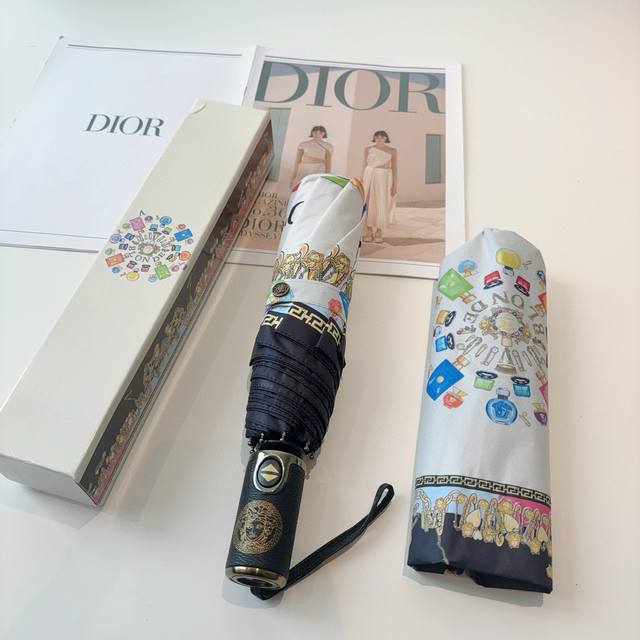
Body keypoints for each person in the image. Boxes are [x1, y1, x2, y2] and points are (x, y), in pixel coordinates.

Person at [362, 130, 397, 243]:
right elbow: (364, 165)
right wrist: (361, 181)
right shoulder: (368, 149)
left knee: (382, 202)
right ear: (374, 138)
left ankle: (379, 230)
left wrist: (395, 184)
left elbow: (394, 167)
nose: (379, 138)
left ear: (386, 138)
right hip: (369, 175)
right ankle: (368, 230)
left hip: (384, 177)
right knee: (368, 202)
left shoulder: (392, 150)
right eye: (377, 136)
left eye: (382, 136)